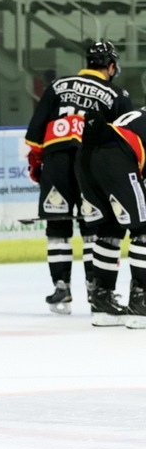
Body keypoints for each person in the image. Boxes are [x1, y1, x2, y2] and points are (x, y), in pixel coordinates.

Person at [25, 40, 132, 316]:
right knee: (93, 226)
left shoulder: (58, 86)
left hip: (56, 161)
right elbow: (125, 140)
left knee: (57, 225)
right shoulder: (117, 94)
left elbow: (34, 135)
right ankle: (94, 286)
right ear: (111, 66)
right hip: (91, 163)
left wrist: (38, 161)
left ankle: (61, 286)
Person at [78, 107, 146, 328]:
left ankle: (102, 302)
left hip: (86, 156)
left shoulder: (140, 115)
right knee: (143, 230)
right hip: (117, 156)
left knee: (110, 230)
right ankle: (141, 301)